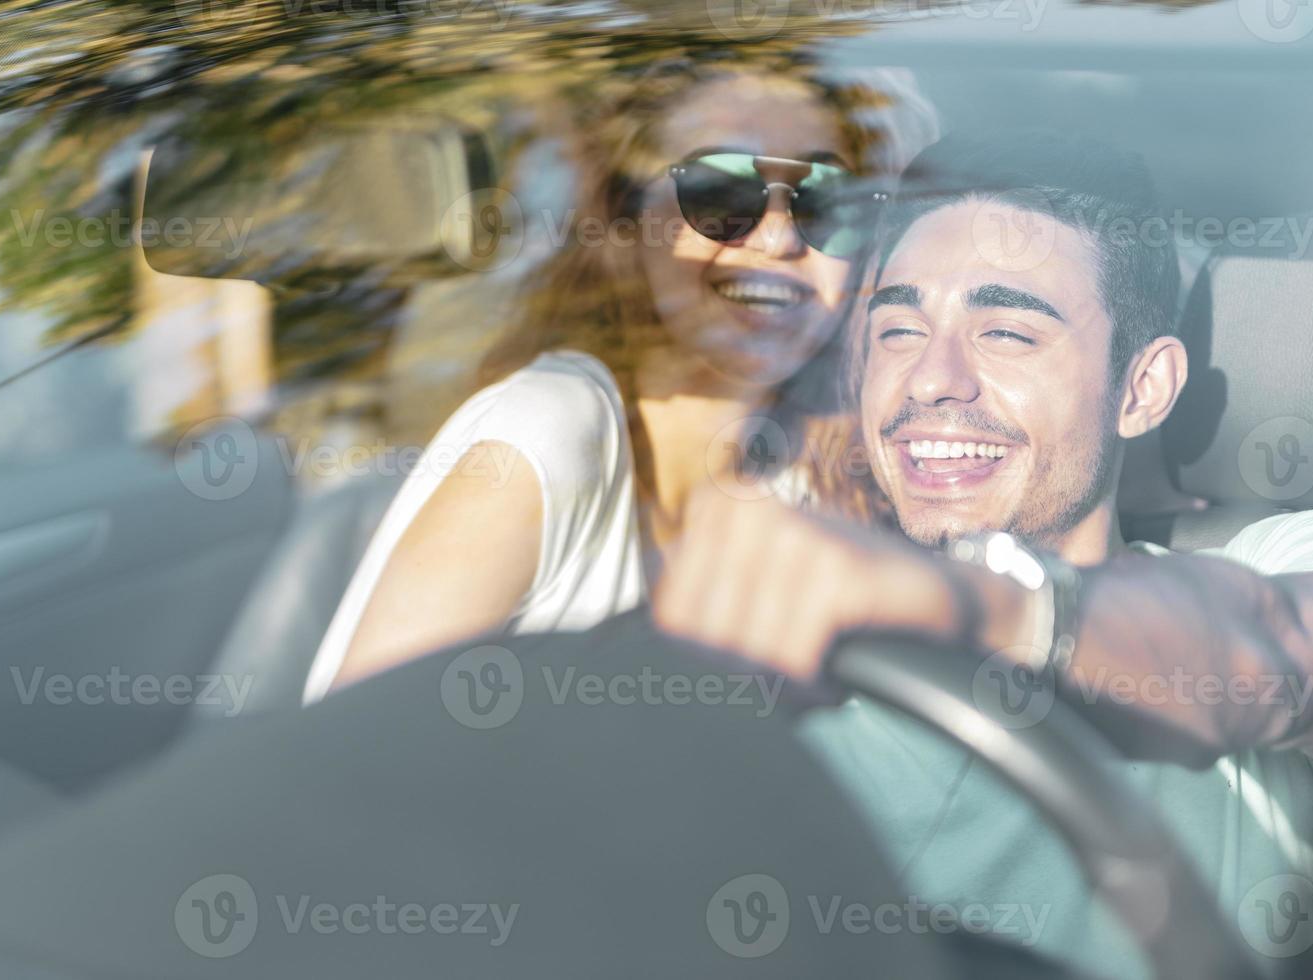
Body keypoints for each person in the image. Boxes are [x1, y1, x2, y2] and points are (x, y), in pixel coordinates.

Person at [652, 130, 1313, 977]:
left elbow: (1299, 648)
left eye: (1005, 333)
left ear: (1142, 389)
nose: (930, 380)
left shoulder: (1286, 556)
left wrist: (982, 607)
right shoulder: (787, 613)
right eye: (897, 330)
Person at [302, 57, 939, 703]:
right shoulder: (550, 427)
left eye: (826, 201)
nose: (779, 239)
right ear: (622, 229)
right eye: (720, 194)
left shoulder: (831, 481)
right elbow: (348, 770)